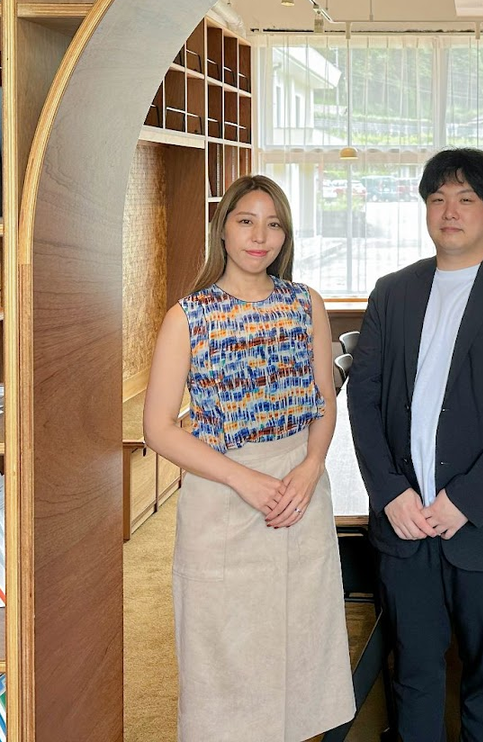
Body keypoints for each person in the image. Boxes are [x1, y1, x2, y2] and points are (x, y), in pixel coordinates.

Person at [347, 148, 483, 742]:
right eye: (438, 198)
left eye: (466, 198)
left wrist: (464, 500)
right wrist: (390, 493)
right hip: (404, 519)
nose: (450, 211)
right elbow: (363, 398)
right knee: (413, 671)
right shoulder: (393, 292)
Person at [142, 174, 354, 742]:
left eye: (273, 224)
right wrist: (246, 480)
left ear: (285, 235)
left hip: (299, 490)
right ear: (224, 230)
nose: (260, 236)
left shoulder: (305, 303)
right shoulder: (188, 316)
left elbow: (324, 400)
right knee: (224, 656)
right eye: (246, 221)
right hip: (222, 492)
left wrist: (311, 467)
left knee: (300, 646)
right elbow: (157, 428)